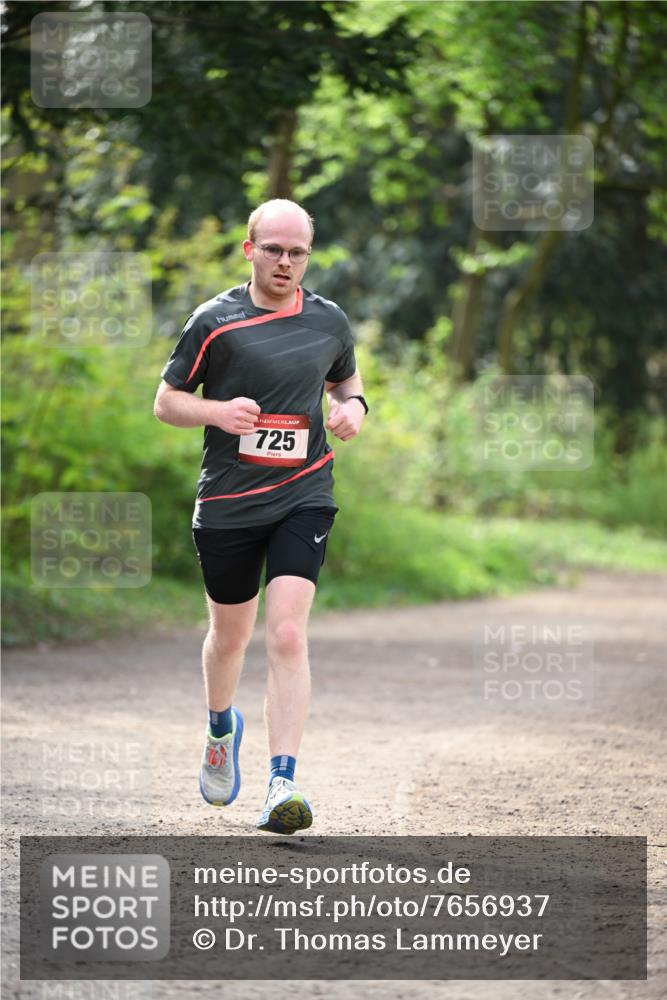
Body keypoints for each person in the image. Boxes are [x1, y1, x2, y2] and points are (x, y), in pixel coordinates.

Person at [153, 198, 367, 834]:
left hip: (305, 493)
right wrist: (217, 413)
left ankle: (282, 783)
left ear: (308, 257)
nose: (285, 262)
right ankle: (221, 728)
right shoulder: (214, 321)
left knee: (288, 634)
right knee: (230, 638)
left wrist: (355, 409)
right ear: (250, 250)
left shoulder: (329, 320)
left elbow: (346, 383)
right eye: (273, 249)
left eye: (297, 252)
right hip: (228, 502)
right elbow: (166, 402)